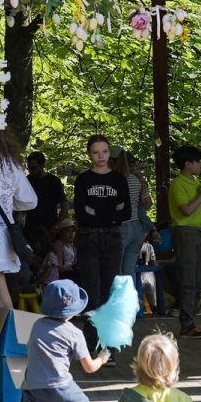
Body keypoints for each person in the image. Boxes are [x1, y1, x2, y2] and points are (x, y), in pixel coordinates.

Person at [0, 112, 37, 331]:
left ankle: (6, 346)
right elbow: (30, 201)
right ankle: (11, 346)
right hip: (3, 238)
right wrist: (7, 206)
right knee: (1, 298)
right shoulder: (10, 165)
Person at [73, 134, 129, 352]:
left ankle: (107, 344)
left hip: (113, 237)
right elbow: (80, 212)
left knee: (108, 292)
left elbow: (126, 212)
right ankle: (89, 344)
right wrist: (110, 211)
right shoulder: (83, 180)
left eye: (104, 151)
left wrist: (96, 211)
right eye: (96, 152)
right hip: (88, 237)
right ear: (89, 154)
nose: (101, 156)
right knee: (91, 292)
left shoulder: (118, 179)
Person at [168, 144, 201, 340]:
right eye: (197, 161)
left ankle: (191, 321)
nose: (200, 165)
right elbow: (185, 210)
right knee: (188, 279)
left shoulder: (194, 182)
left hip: (196, 232)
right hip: (185, 232)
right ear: (188, 164)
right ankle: (186, 325)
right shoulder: (178, 184)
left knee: (197, 279)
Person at [115, 149, 153, 278]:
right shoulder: (137, 181)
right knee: (129, 270)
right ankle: (131, 297)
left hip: (121, 226)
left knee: (116, 270)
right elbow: (147, 205)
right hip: (137, 227)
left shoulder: (113, 180)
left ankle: (118, 298)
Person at [23, 151, 68, 252]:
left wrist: (55, 228)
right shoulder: (27, 180)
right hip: (30, 228)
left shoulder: (53, 181)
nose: (31, 171)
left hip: (49, 228)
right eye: (29, 168)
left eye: (34, 168)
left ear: (42, 165)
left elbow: (64, 208)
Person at [35, 221, 77, 289]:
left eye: (73, 231)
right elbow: (59, 266)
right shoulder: (59, 244)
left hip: (70, 272)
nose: (71, 234)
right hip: (62, 274)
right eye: (67, 231)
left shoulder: (73, 248)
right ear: (60, 233)